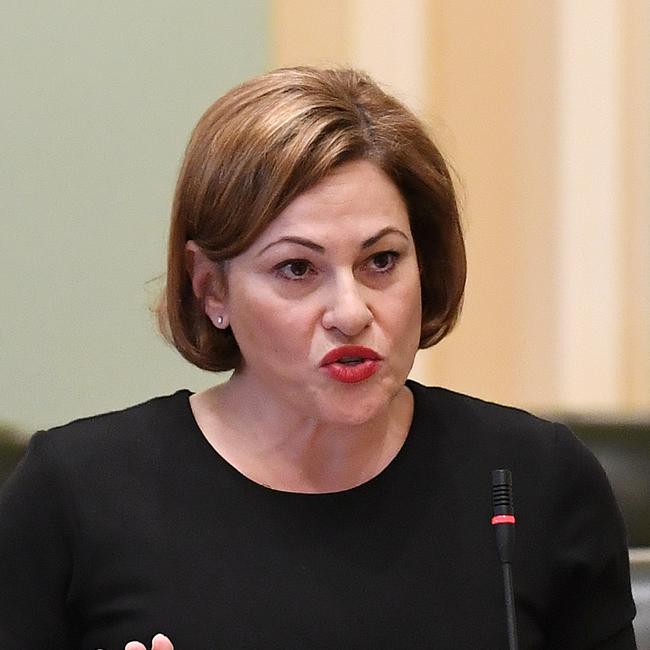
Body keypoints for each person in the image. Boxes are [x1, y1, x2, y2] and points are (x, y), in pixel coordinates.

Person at [0, 67, 637, 649]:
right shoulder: (75, 496)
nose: (351, 310)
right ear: (211, 287)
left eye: (381, 261)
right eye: (297, 268)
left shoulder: (539, 481)